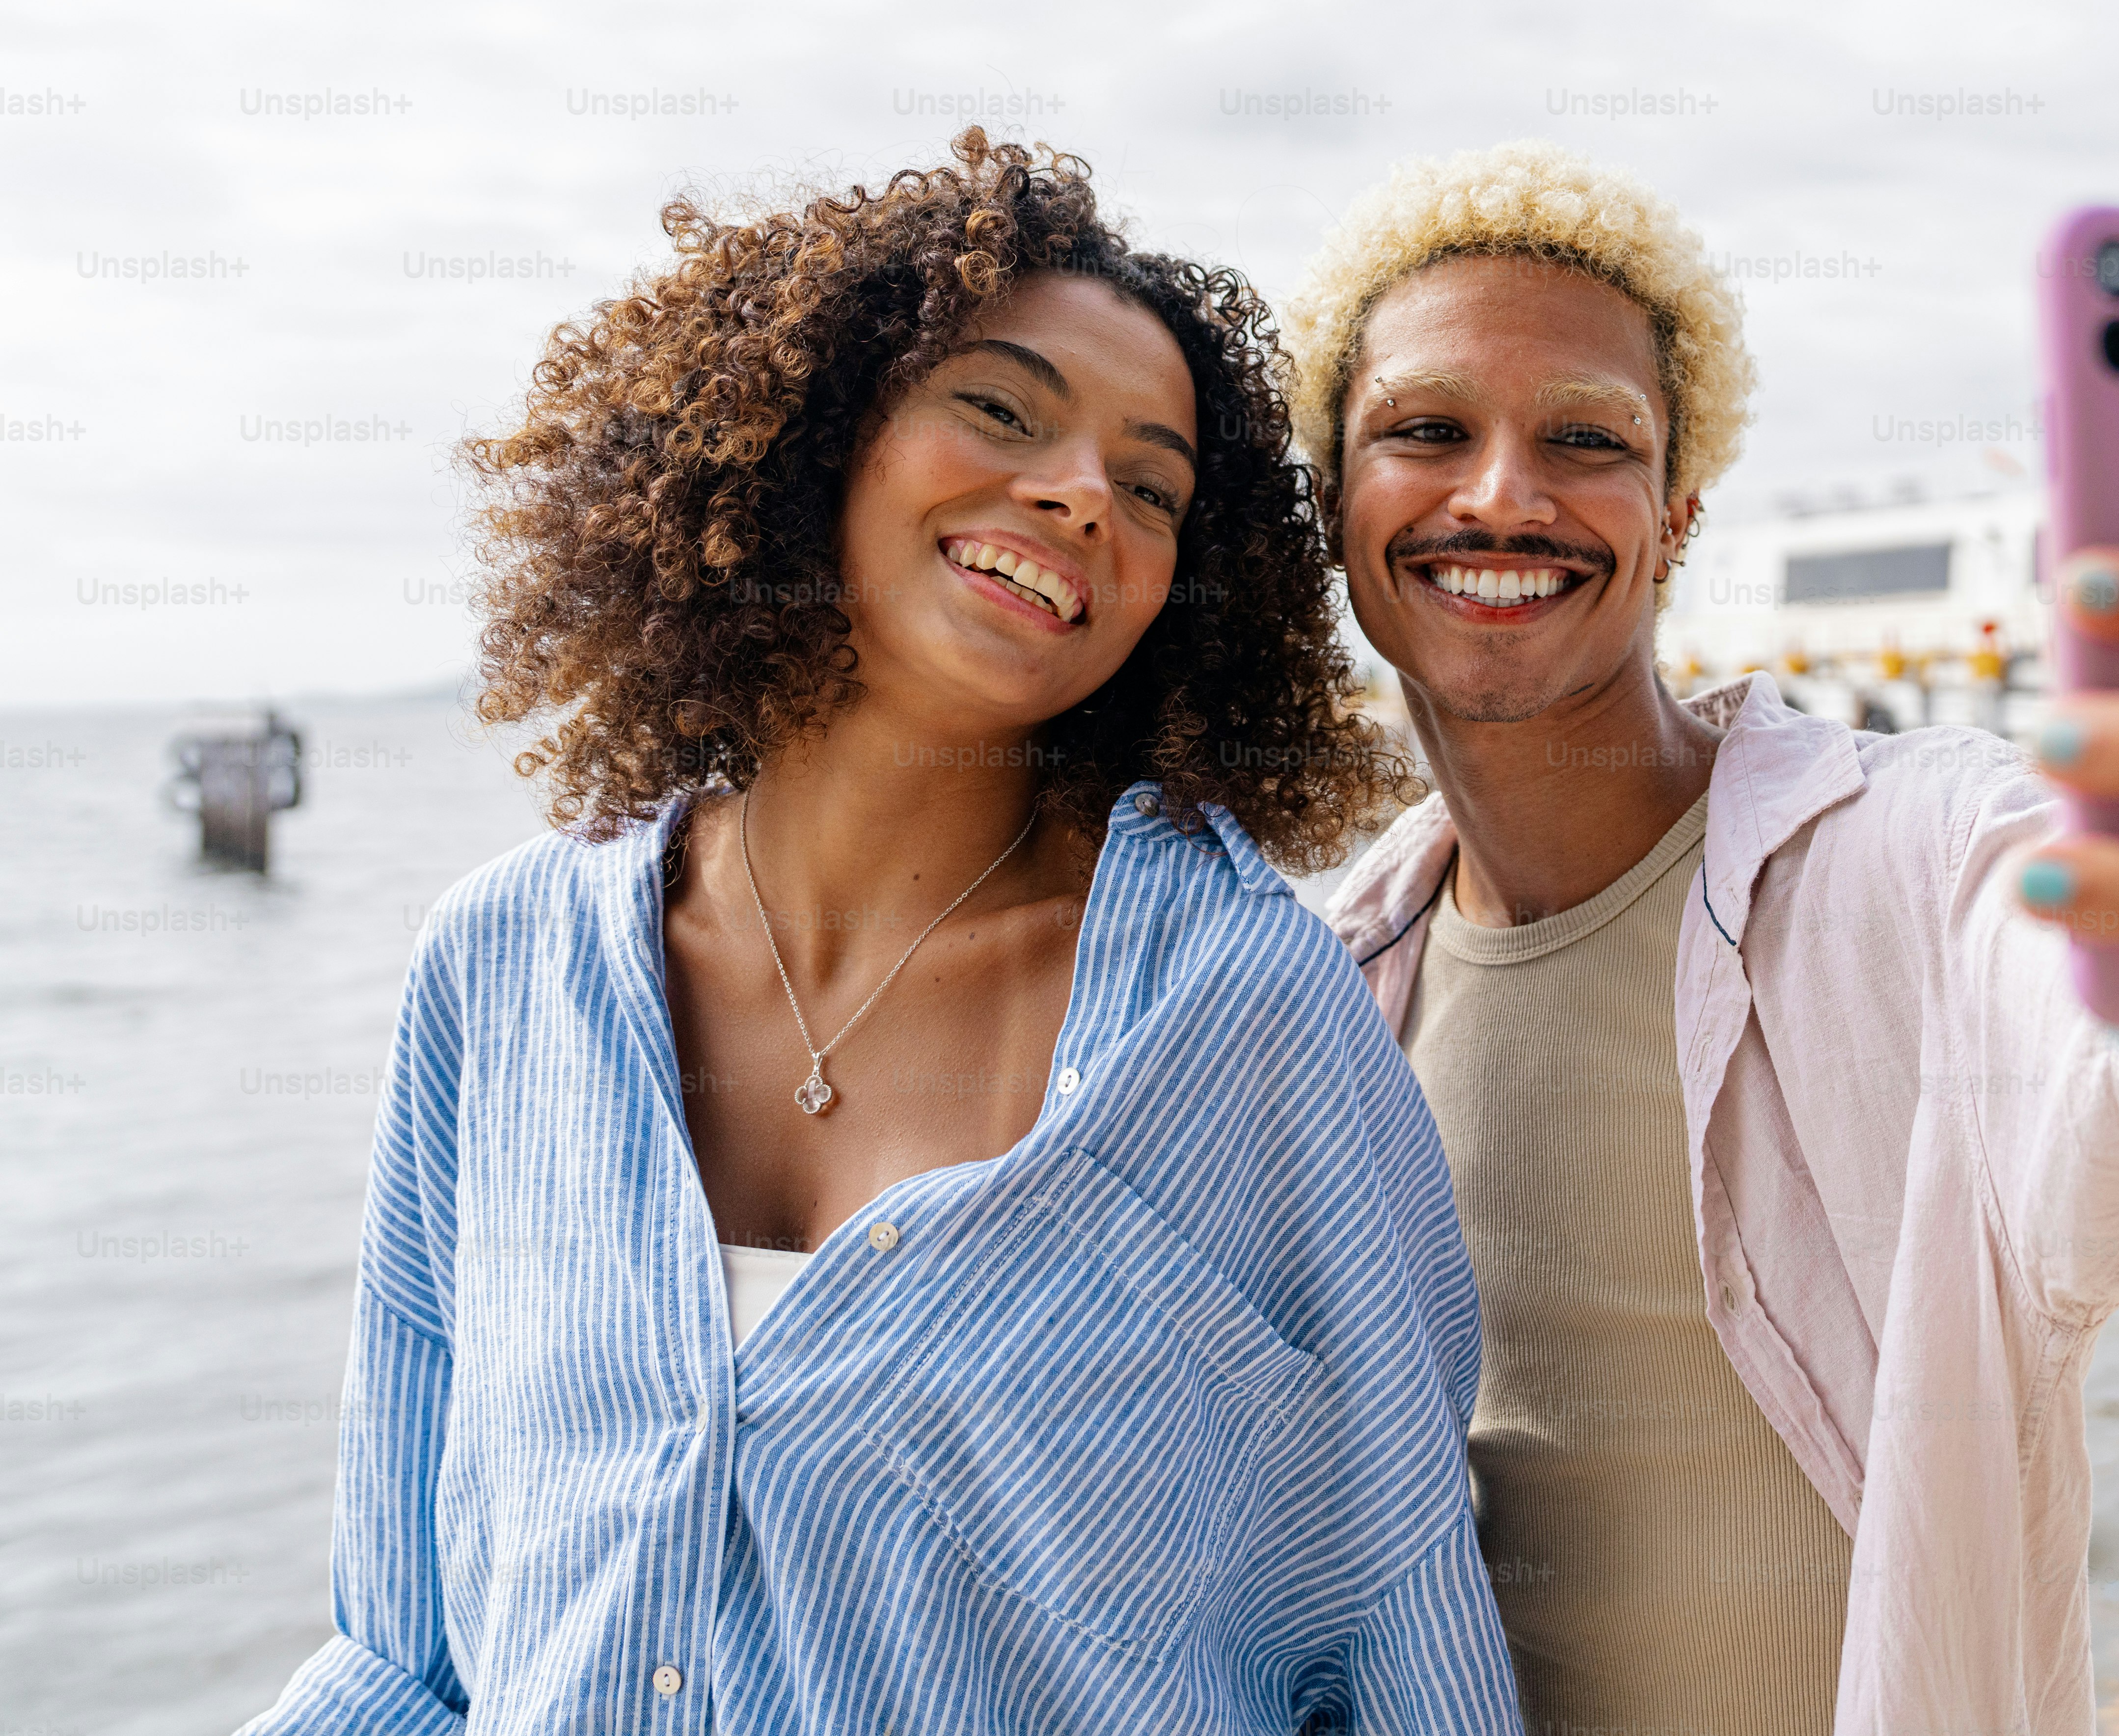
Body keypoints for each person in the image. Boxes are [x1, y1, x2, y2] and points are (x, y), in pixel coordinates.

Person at [1283, 141, 2119, 1735]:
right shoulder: (1325, 975)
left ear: (1679, 512)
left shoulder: (1916, 863)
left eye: (1588, 437)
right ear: (1331, 497)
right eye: (1427, 430)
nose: (1503, 490)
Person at [242, 133, 1515, 1734]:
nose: (1076, 494)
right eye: (1001, 407)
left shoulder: (1239, 1014)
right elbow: (405, 1651)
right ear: (817, 438)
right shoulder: (502, 969)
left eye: (1151, 487)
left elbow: (1398, 1629)